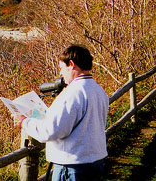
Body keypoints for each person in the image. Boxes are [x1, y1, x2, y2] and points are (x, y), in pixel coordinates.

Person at [13, 44, 109, 181]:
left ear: (71, 64)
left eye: (62, 68)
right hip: (95, 161)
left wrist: (24, 122)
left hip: (72, 167)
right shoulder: (99, 90)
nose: (60, 74)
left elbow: (51, 131)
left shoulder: (72, 94)